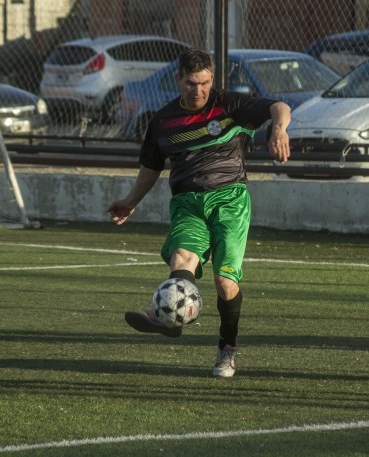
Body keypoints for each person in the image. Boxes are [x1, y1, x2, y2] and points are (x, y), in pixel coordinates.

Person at [106, 49, 291, 378]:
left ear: (212, 79)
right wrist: (131, 200)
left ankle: (227, 347)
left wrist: (279, 129)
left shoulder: (230, 105)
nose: (199, 90)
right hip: (188, 202)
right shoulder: (163, 121)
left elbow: (279, 107)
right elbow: (151, 167)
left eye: (205, 82)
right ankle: (169, 318)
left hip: (229, 201)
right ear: (179, 80)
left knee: (225, 282)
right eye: (191, 83)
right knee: (181, 257)